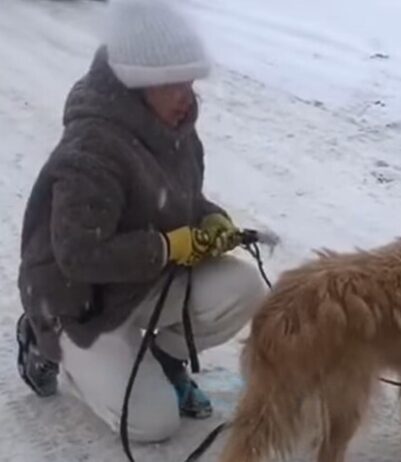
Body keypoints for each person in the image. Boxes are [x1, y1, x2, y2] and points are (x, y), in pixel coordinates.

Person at [15, 0, 267, 443]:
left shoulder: (172, 124)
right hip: (79, 304)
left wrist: (210, 221)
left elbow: (180, 200)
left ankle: (162, 359)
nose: (186, 96)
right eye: (174, 83)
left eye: (190, 81)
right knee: (154, 424)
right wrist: (169, 248)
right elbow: (78, 255)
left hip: (137, 284)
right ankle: (45, 342)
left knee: (245, 289)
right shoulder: (91, 149)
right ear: (139, 81)